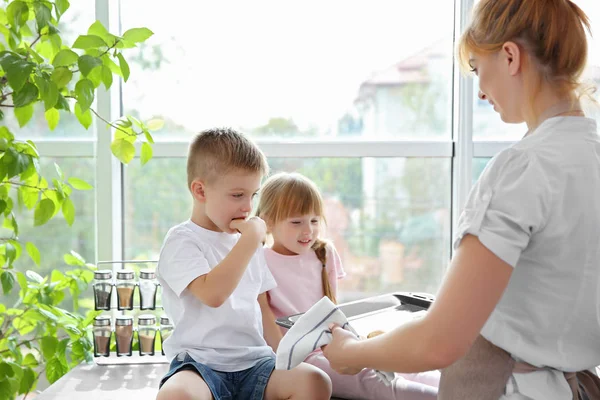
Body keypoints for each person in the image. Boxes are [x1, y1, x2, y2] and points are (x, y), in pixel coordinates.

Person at [321, 1, 600, 399]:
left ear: (509, 56)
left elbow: (440, 341)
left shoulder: (523, 169)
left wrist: (352, 351)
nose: (481, 90)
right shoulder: (590, 157)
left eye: (475, 67)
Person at [155, 128, 332, 400]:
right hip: (199, 365)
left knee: (315, 381)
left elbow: (261, 307)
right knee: (177, 395)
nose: (248, 208)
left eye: (253, 195)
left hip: (255, 361)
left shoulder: (248, 240)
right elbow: (213, 294)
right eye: (237, 195)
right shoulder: (182, 240)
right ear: (200, 190)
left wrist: (287, 355)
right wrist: (250, 242)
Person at [256, 172, 439, 400]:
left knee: (399, 366)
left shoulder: (323, 254)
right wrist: (286, 361)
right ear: (268, 221)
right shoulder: (259, 260)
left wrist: (352, 345)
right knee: (376, 382)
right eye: (296, 222)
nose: (308, 231)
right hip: (301, 358)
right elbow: (264, 316)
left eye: (314, 221)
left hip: (333, 346)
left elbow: (332, 309)